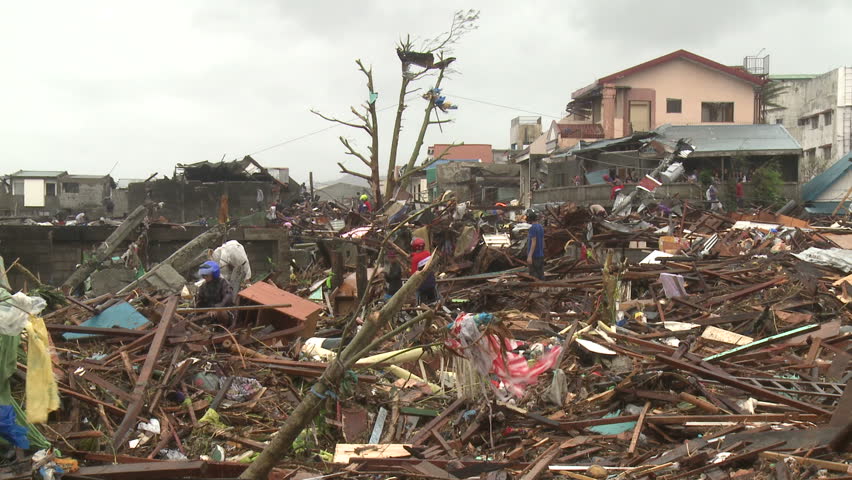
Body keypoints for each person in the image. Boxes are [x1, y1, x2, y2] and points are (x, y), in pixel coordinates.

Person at [195, 261, 236, 326]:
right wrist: (206, 311)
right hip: (208, 313)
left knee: (221, 312)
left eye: (207, 275)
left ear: (213, 273)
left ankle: (223, 329)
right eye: (203, 275)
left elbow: (228, 298)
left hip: (224, 311)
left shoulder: (223, 283)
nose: (205, 277)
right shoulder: (202, 287)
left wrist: (217, 308)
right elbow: (199, 303)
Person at [410, 237, 438, 304]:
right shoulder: (428, 254)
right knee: (434, 302)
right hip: (431, 283)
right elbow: (421, 255)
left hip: (422, 286)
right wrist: (412, 255)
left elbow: (413, 274)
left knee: (420, 305)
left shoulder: (415, 259)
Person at [526, 209, 545, 280]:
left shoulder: (532, 228)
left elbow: (534, 242)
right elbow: (543, 241)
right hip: (540, 255)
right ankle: (543, 289)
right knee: (541, 275)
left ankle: (536, 289)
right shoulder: (540, 227)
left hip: (534, 256)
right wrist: (543, 251)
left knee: (534, 276)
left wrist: (529, 256)